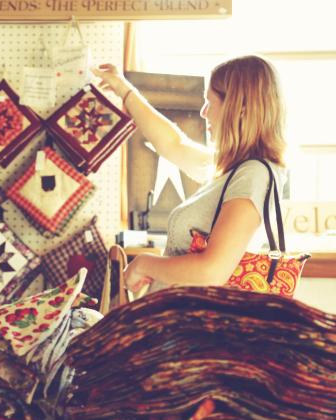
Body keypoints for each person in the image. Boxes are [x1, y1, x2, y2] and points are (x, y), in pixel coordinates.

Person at [92, 55, 288, 294]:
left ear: (239, 108)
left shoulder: (254, 175)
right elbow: (173, 143)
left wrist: (145, 264)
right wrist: (124, 89)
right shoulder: (233, 169)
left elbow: (211, 271)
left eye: (210, 102)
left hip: (195, 324)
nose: (204, 113)